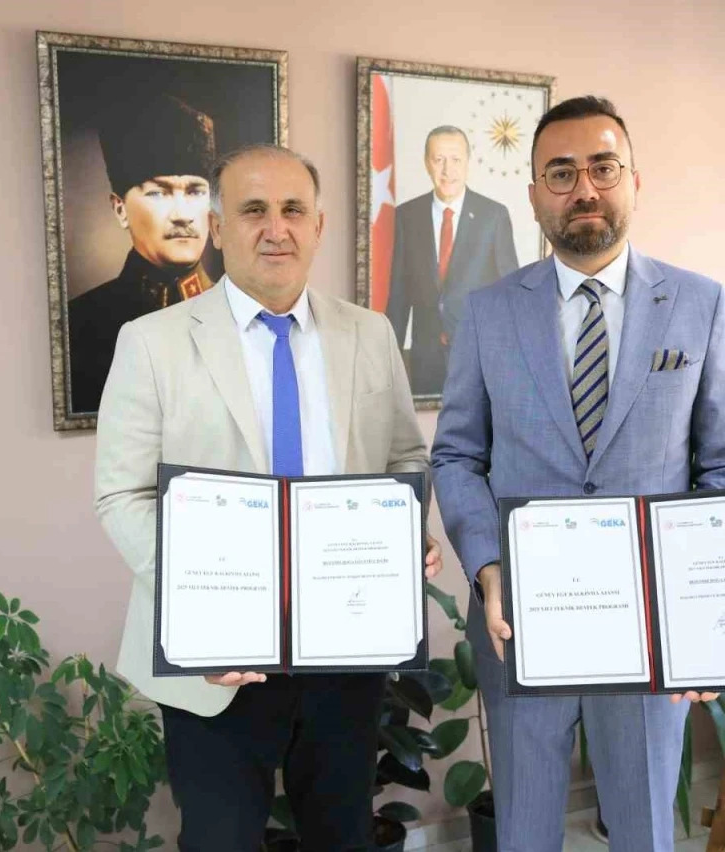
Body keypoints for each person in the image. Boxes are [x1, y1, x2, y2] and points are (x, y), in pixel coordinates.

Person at [430, 95, 725, 852]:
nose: (584, 188)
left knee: (643, 827)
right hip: (520, 618)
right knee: (525, 827)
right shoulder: (487, 312)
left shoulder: (699, 305)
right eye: (561, 172)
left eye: (603, 168)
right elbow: (457, 455)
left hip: (651, 626)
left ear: (634, 181)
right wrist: (486, 564)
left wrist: (707, 612)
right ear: (534, 195)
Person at [94, 144, 442, 852]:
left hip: (345, 651)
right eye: (253, 210)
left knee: (343, 836)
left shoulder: (370, 334)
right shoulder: (151, 342)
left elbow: (405, 457)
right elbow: (123, 496)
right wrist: (197, 606)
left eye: (292, 210)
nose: (275, 229)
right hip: (215, 664)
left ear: (318, 225)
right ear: (219, 228)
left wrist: (404, 529)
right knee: (219, 841)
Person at [68, 92, 218, 415]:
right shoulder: (78, 326)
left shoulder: (244, 315)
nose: (182, 215)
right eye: (158, 193)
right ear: (120, 209)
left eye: (195, 192)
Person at [385, 126, 518, 396]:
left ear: (468, 161)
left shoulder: (493, 216)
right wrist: (388, 361)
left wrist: (507, 357)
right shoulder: (406, 217)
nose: (448, 170)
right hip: (425, 360)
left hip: (479, 357)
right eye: (439, 160)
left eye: (456, 159)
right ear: (427, 163)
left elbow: (509, 294)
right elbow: (398, 296)